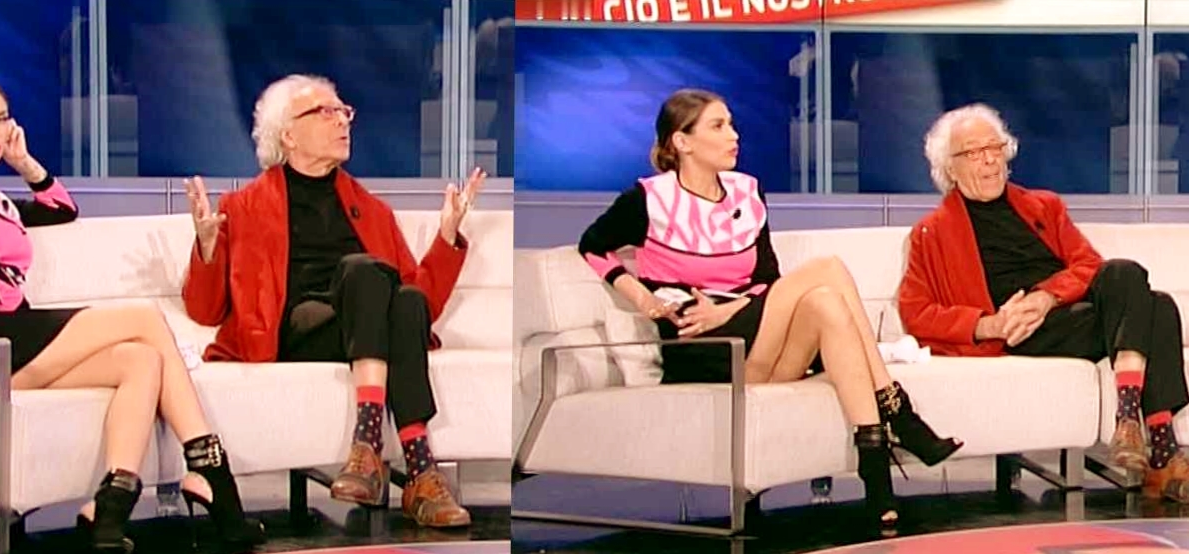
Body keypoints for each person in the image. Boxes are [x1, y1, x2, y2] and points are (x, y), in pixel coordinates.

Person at [0, 72, 262, 553]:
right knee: (142, 319)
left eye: (1, 119)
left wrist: (24, 162)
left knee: (141, 360)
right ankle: (212, 475)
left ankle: (108, 509)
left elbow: (62, 209)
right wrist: (23, 316)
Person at [577, 88, 961, 536]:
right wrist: (645, 299)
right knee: (828, 270)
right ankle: (898, 413)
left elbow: (767, 280)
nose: (734, 135)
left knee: (825, 302)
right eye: (718, 126)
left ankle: (875, 474)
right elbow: (593, 245)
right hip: (701, 345)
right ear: (682, 141)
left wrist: (729, 309)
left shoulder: (747, 192)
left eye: (731, 124)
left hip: (755, 336)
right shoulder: (648, 199)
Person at [181, 74, 482, 528]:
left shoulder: (372, 210)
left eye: (344, 112)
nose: (342, 121)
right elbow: (205, 310)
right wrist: (207, 247)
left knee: (402, 301)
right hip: (298, 329)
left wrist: (446, 237)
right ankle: (405, 464)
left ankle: (398, 464)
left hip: (364, 328)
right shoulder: (243, 207)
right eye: (325, 112)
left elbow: (421, 305)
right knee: (362, 271)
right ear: (288, 135)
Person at [899, 103, 1189, 501]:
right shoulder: (930, 234)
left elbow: (1088, 264)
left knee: (1126, 274)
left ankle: (1128, 418)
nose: (990, 160)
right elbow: (916, 313)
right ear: (950, 168)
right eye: (974, 152)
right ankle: (1163, 452)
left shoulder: (1043, 205)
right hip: (1020, 331)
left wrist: (1047, 296)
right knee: (1158, 307)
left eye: (995, 147)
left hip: (1066, 311)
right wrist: (987, 324)